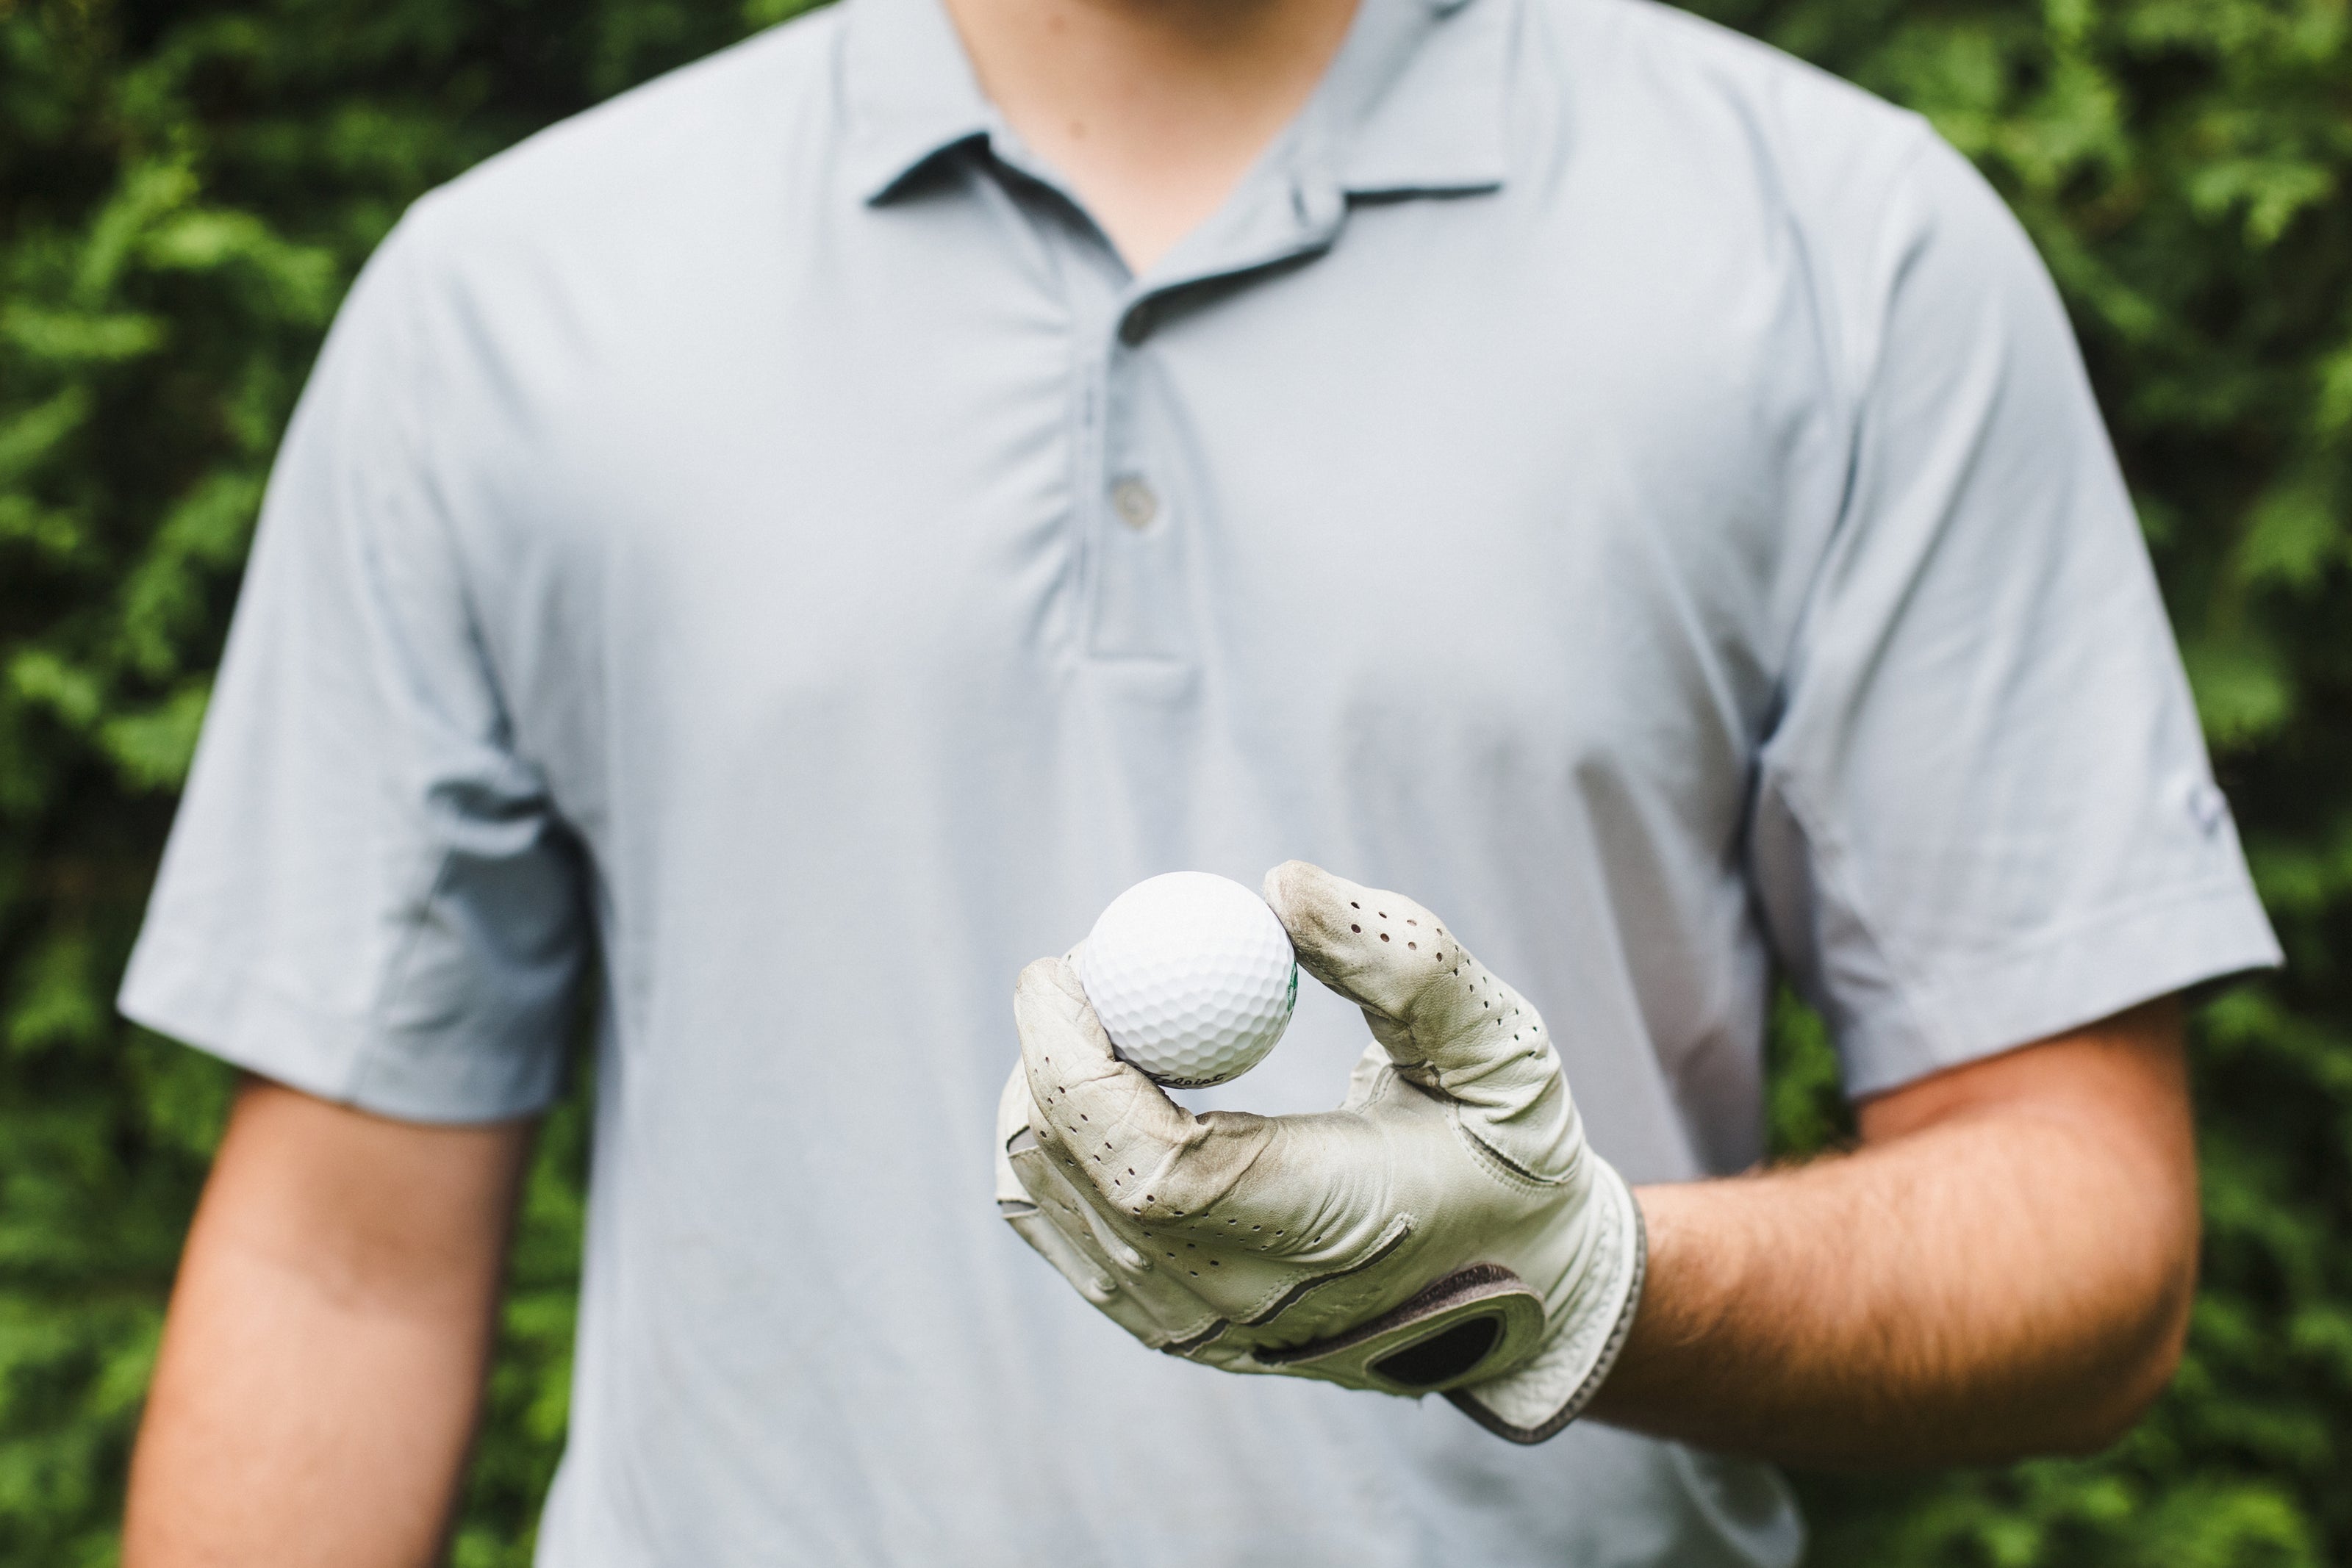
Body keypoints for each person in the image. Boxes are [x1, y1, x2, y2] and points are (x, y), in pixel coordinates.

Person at [114, 0, 2281, 1553]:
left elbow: (2085, 1223)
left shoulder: (1840, 258)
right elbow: (340, 1266)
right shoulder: (507, 306)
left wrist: (1588, 1278)